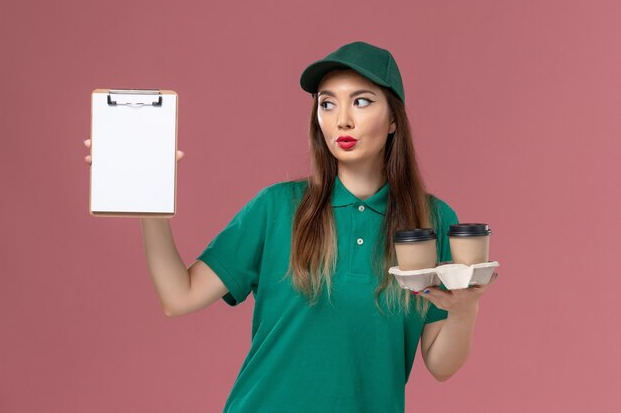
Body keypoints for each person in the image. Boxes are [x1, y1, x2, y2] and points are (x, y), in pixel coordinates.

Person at [84, 41, 498, 413]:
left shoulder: (432, 221)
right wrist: (149, 200)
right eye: (327, 103)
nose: (343, 120)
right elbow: (179, 296)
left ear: (394, 120)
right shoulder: (276, 208)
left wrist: (465, 309)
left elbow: (440, 364)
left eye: (362, 101)